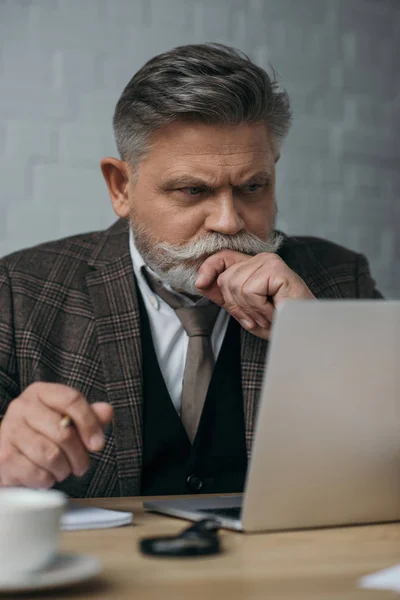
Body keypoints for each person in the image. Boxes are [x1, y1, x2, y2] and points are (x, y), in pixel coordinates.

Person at [0, 44, 382, 498]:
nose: (229, 221)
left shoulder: (339, 280)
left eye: (253, 186)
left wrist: (316, 337)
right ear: (121, 187)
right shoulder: (18, 291)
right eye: (191, 190)